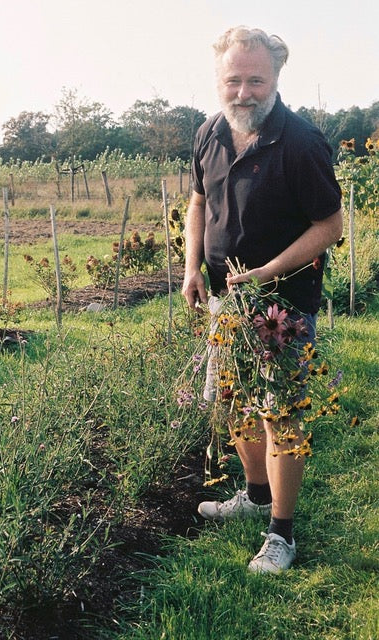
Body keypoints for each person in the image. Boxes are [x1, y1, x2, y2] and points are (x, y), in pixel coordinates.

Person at [182, 26, 343, 574]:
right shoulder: (208, 133)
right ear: (218, 80)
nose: (244, 92)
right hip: (226, 303)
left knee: (282, 413)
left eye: (256, 80)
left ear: (276, 78)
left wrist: (270, 270)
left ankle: (282, 533)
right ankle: (252, 497)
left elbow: (330, 224)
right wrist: (191, 268)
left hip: (282, 306)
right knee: (235, 401)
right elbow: (197, 205)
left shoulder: (300, 142)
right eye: (234, 80)